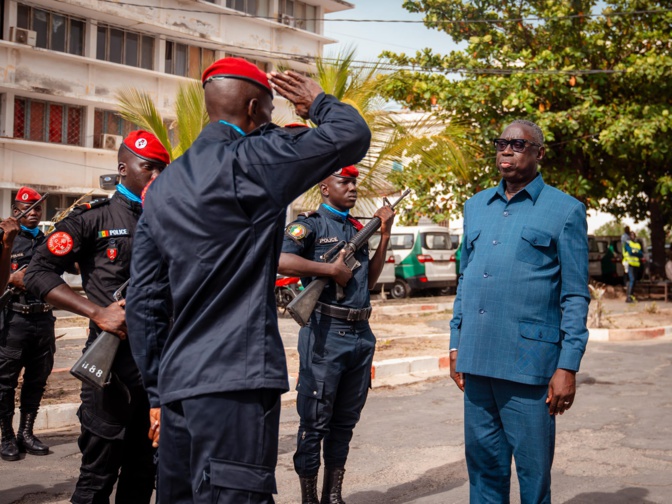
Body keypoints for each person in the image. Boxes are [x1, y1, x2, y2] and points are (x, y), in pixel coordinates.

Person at [125, 57, 371, 504]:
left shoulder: (163, 187)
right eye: (272, 110)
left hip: (180, 387)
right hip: (235, 382)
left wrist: (158, 391)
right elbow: (351, 135)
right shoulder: (255, 160)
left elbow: (145, 300)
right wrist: (318, 102)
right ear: (256, 107)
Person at [449, 120, 590, 503]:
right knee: (483, 475)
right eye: (501, 143)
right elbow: (466, 280)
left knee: (533, 477)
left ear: (539, 153)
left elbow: (575, 295)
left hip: (530, 367)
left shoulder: (565, 211)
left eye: (517, 144)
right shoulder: (475, 206)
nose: (506, 150)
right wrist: (454, 343)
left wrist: (568, 366)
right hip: (477, 360)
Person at [24, 131, 169, 503]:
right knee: (98, 476)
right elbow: (38, 272)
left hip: (158, 367)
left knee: (143, 475)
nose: (157, 177)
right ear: (123, 168)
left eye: (162, 171)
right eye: (149, 168)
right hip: (111, 367)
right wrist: (96, 312)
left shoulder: (171, 222)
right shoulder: (94, 217)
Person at [278, 167, 394, 504]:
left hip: (360, 334)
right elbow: (282, 259)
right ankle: (310, 499)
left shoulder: (358, 228)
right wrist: (329, 269)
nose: (353, 187)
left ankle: (333, 496)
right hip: (326, 334)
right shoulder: (309, 225)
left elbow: (368, 283)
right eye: (344, 181)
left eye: (355, 181)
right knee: (315, 422)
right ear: (324, 188)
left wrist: (384, 235)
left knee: (344, 422)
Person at [0, 188, 55, 462]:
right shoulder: (4, 238)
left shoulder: (48, 242)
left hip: (43, 319)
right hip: (14, 320)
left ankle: (26, 433)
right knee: (5, 383)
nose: (33, 213)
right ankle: (7, 437)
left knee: (37, 380)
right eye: (26, 208)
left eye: (37, 208)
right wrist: (11, 279)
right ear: (15, 210)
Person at [623, 230, 643, 303]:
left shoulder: (637, 244)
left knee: (633, 281)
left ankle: (630, 296)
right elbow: (630, 252)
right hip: (629, 264)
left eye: (633, 235)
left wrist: (635, 252)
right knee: (632, 279)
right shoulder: (628, 243)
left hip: (636, 264)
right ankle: (629, 297)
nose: (632, 236)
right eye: (631, 235)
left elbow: (641, 254)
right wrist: (636, 252)